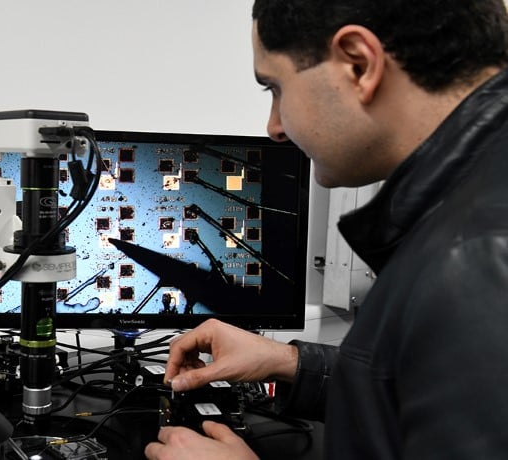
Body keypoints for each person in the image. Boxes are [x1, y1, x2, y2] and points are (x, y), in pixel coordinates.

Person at [145, 1, 508, 459]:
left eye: (275, 87)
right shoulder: (476, 202)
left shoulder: (477, 258)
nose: (274, 127)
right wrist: (288, 362)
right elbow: (431, 391)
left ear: (358, 63)